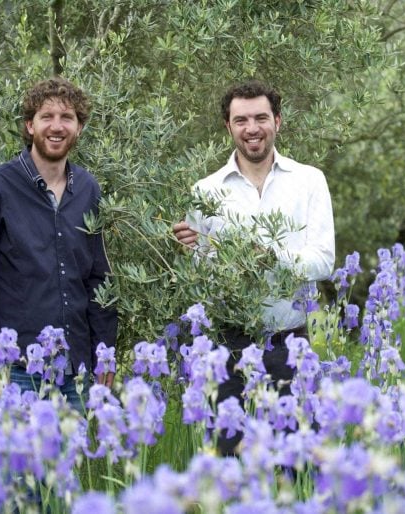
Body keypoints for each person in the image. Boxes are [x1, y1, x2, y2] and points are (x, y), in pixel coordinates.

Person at [173, 80, 335, 455]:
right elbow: (200, 276)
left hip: (289, 344)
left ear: (277, 120)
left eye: (261, 118)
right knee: (230, 466)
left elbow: (324, 261)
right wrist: (188, 249)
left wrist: (272, 256)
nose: (252, 128)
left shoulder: (309, 181)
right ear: (228, 126)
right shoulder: (205, 191)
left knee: (297, 467)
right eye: (241, 120)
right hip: (228, 348)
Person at [0, 77, 118, 444]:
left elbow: (99, 279)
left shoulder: (88, 189)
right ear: (30, 125)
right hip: (14, 371)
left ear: (79, 128)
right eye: (47, 116)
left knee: (67, 478)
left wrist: (105, 353)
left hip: (75, 372)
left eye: (67, 117)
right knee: (17, 476)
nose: (57, 126)